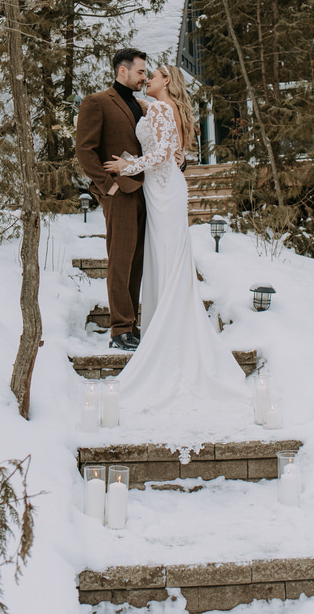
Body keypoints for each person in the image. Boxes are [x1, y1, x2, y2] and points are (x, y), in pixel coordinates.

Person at [103, 65, 246, 412]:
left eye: (152, 75)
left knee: (167, 257)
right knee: (162, 258)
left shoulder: (165, 108)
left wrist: (127, 167)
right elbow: (175, 151)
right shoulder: (163, 108)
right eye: (144, 74)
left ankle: (170, 331)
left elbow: (164, 154)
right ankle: (162, 327)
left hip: (164, 190)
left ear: (167, 81)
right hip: (160, 188)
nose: (147, 79)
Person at [75, 48, 148, 352]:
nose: (145, 77)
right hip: (119, 194)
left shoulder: (142, 106)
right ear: (123, 71)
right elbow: (85, 150)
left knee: (137, 263)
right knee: (120, 262)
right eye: (141, 72)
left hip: (146, 193)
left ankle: (132, 325)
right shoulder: (98, 102)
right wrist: (108, 187)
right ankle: (119, 331)